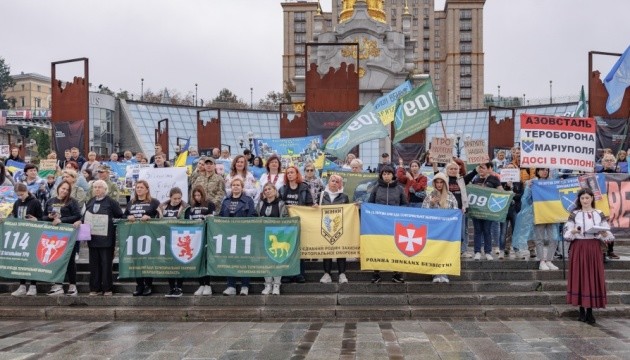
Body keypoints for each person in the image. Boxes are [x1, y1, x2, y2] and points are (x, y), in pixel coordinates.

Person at [563, 188, 614, 325]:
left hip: (593, 247)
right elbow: (567, 235)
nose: (585, 200)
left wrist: (604, 234)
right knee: (579, 276)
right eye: (582, 198)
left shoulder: (599, 213)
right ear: (579, 200)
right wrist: (573, 231)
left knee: (592, 276)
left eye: (587, 198)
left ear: (592, 198)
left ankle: (590, 312)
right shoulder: (574, 214)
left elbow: (608, 235)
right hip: (578, 247)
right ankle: (581, 311)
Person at [73, 180, 123, 296]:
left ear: (105, 189)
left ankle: (107, 288)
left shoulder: (111, 202)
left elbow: (120, 216)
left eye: (100, 187)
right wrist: (80, 221)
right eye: (95, 187)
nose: (97, 189)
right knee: (94, 265)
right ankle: (94, 288)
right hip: (93, 239)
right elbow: (85, 217)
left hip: (106, 240)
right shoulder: (90, 201)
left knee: (106, 265)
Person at [368, 165, 407, 283]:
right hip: (379, 224)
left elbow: (405, 205)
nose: (386, 176)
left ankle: (397, 273)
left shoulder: (399, 189)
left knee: (396, 248)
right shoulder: (376, 188)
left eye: (388, 174)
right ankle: (376, 273)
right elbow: (370, 204)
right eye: (384, 174)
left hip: (395, 224)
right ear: (381, 175)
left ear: (393, 175)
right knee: (378, 248)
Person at [43, 180, 82, 296]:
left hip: (69, 235)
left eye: (67, 189)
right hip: (54, 236)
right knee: (55, 259)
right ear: (58, 188)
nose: (64, 191)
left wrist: (62, 220)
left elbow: (77, 216)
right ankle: (57, 285)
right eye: (63, 188)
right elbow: (43, 216)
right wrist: (49, 217)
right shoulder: (50, 201)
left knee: (70, 261)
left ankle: (72, 285)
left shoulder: (72, 201)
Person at [220, 177, 257, 295]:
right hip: (229, 235)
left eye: (238, 185)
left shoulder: (248, 200)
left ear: (242, 187)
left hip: (243, 235)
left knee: (244, 260)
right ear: (231, 188)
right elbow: (220, 216)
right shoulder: (225, 201)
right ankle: (231, 286)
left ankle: (245, 286)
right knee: (230, 260)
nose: (235, 187)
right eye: (233, 185)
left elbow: (253, 215)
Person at [124, 180, 160, 296]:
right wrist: (128, 216)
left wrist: (150, 216)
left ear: (147, 189)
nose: (138, 189)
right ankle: (139, 285)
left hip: (149, 235)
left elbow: (160, 216)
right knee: (136, 260)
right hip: (134, 235)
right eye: (137, 187)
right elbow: (124, 215)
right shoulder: (131, 202)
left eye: (141, 187)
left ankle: (148, 285)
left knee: (147, 260)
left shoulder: (154, 202)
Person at [279, 166, 314, 283]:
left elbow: (309, 203)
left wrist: (313, 207)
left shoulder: (304, 187)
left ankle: (299, 274)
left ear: (297, 174)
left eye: (292, 172)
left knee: (299, 249)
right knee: (287, 249)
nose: (289, 175)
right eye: (287, 173)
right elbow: (279, 204)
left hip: (300, 222)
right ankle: (287, 274)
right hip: (286, 224)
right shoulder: (283, 189)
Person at [422, 172, 458, 283]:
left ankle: (444, 273)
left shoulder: (450, 196)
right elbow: (423, 212)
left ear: (445, 184)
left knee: (445, 251)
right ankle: (435, 273)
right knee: (435, 251)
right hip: (433, 230)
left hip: (447, 229)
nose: (439, 184)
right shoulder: (430, 195)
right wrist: (431, 204)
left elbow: (455, 211)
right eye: (437, 182)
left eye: (441, 182)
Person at [10, 183, 43, 296]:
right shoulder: (17, 202)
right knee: (21, 260)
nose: (20, 197)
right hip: (20, 235)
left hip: (33, 234)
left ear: (26, 191)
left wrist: (36, 219)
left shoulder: (35, 202)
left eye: (22, 194)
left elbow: (42, 217)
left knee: (32, 261)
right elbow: (14, 217)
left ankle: (33, 285)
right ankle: (22, 285)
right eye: (18, 195)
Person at [158, 187, 190, 297]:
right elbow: (158, 220)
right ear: (170, 197)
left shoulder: (185, 207)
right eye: (175, 198)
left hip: (179, 238)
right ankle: (171, 287)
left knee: (179, 262)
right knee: (169, 263)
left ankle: (179, 287)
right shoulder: (162, 207)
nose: (177, 200)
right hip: (166, 238)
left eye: (179, 198)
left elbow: (188, 222)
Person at [318, 174, 350, 284]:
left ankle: (342, 274)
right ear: (328, 182)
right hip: (325, 227)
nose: (334, 183)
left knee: (341, 251)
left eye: (337, 181)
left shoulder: (344, 197)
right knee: (327, 251)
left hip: (339, 227)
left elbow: (348, 212)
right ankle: (327, 274)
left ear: (340, 184)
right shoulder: (321, 195)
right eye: (332, 181)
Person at [256, 182, 287, 295]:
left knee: (277, 259)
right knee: (265, 260)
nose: (267, 191)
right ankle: (268, 284)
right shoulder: (260, 204)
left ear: (275, 190)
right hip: (264, 236)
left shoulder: (281, 204)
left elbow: (285, 218)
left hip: (277, 236)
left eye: (269, 189)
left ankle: (276, 284)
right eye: (265, 190)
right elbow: (255, 218)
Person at [469, 162, 502, 261]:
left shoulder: (494, 179)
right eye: (479, 168)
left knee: (487, 231)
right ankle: (477, 252)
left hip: (488, 211)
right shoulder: (475, 179)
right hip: (477, 210)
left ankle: (488, 252)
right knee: (477, 231)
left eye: (483, 168)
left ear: (488, 168)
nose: (481, 169)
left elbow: (501, 191)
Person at [188, 185, 216, 296]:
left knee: (205, 260)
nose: (197, 197)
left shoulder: (210, 204)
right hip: (195, 237)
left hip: (206, 235)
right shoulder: (192, 206)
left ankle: (208, 285)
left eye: (199, 195)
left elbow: (212, 218)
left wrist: (205, 219)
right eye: (195, 195)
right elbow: (189, 220)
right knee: (198, 260)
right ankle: (201, 284)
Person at [531, 168, 560, 271]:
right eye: (542, 170)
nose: (544, 172)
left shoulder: (553, 183)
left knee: (554, 238)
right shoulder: (533, 183)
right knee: (539, 239)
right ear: (537, 171)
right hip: (539, 214)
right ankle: (541, 261)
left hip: (551, 214)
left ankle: (549, 260)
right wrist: (529, 188)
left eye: (546, 170)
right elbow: (527, 200)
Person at [499, 163, 523, 259]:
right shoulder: (501, 182)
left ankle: (517, 250)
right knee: (503, 232)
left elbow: (520, 196)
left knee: (515, 231)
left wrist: (512, 190)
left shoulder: (519, 182)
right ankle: (501, 250)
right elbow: (500, 194)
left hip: (515, 209)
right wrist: (506, 186)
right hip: (504, 209)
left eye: (512, 169)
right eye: (508, 169)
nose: (510, 170)